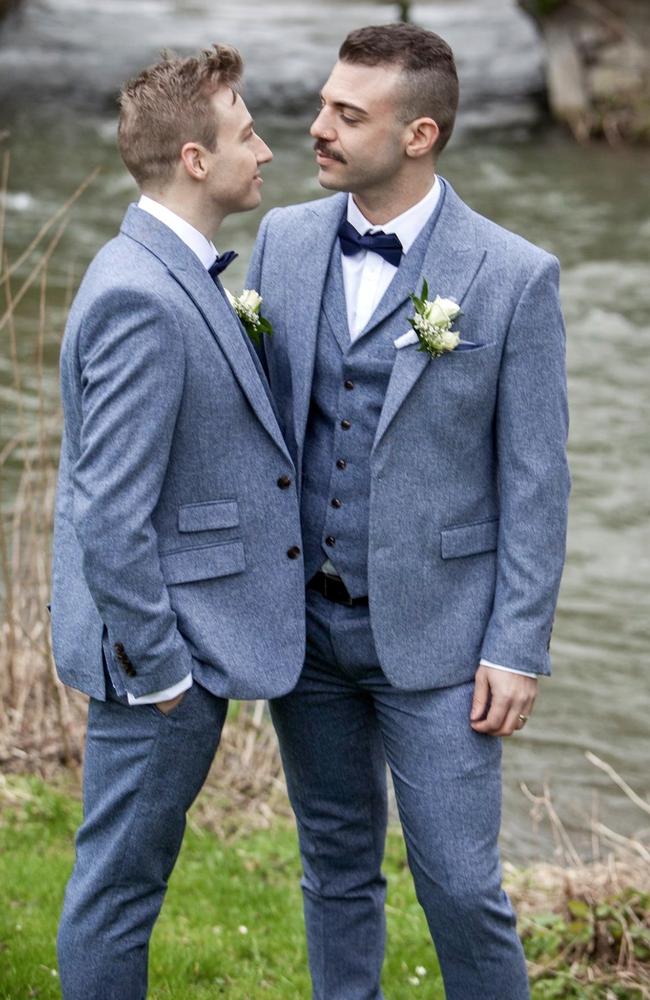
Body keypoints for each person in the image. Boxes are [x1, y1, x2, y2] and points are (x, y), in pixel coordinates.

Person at [247, 22, 570, 1000]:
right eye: (320, 105)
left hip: (440, 642)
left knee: (461, 884)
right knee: (334, 868)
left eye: (347, 114)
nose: (316, 129)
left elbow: (535, 477)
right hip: (304, 632)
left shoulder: (512, 276)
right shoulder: (284, 239)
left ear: (418, 133)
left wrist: (516, 645)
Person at [50, 44, 305, 999]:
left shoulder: (166, 270)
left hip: (176, 652)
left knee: (128, 880)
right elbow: (107, 513)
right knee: (118, 888)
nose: (267, 152)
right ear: (196, 159)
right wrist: (162, 671)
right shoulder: (140, 295)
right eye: (247, 133)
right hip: (160, 665)